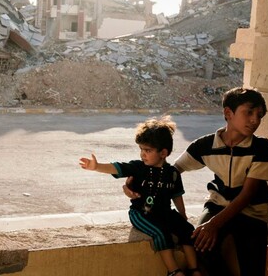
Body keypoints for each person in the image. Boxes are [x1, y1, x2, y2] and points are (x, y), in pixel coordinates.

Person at [124, 87, 268, 276]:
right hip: (217, 206)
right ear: (228, 113)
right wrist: (136, 181)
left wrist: (213, 225)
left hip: (252, 214)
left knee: (253, 265)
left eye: (260, 115)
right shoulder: (205, 145)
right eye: (249, 112)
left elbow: (247, 195)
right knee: (199, 244)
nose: (255, 120)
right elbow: (171, 170)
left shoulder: (263, 148)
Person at [79, 116, 201, 276]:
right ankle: (174, 271)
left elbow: (177, 195)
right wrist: (96, 167)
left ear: (163, 152)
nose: (143, 154)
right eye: (141, 149)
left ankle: (194, 269)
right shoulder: (139, 167)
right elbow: (118, 168)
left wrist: (183, 215)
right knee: (161, 233)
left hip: (165, 213)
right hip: (141, 213)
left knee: (188, 230)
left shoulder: (172, 173)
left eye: (148, 150)